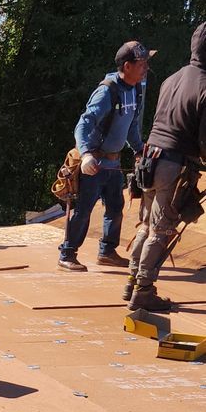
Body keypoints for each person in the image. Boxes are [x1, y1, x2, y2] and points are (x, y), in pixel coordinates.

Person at [125, 22, 206, 318]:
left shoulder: (171, 79)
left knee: (146, 226)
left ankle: (133, 281)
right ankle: (143, 292)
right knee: (162, 230)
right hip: (172, 165)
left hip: (149, 160)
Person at [59, 42, 151, 272]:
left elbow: (130, 126)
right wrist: (86, 154)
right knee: (84, 209)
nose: (146, 68)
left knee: (115, 206)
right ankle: (67, 254)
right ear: (127, 66)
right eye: (142, 64)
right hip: (95, 164)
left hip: (113, 163)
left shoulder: (135, 89)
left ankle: (107, 251)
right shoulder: (107, 91)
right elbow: (83, 124)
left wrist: (140, 149)